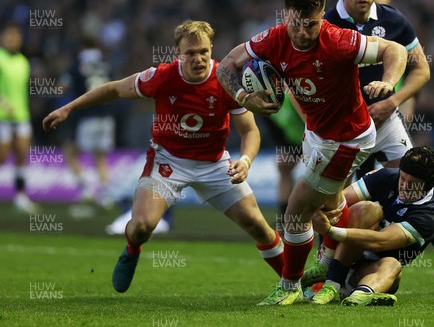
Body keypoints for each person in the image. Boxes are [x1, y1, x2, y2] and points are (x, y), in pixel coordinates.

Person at [43, 20, 284, 293]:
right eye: (190, 53)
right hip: (168, 162)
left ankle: (293, 282)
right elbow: (113, 89)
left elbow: (250, 131)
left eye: (203, 51)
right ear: (178, 54)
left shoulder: (226, 80)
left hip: (215, 164)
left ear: (212, 50)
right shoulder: (161, 77)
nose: (198, 58)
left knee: (258, 226)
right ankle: (132, 249)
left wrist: (246, 160)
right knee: (142, 226)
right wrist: (68, 109)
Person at [217, 0, 408, 305]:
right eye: (296, 23)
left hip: (347, 139)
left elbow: (396, 50)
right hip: (317, 135)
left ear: (322, 16)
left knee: (295, 211)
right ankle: (330, 263)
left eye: (311, 24)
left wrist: (387, 81)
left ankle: (290, 284)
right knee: (331, 208)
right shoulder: (274, 38)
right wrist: (244, 97)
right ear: (285, 15)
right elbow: (226, 65)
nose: (303, 32)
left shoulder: (339, 40)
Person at [303, 0, 434, 286]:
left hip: (385, 121)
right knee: (335, 197)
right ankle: (324, 263)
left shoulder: (393, 21)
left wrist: (393, 101)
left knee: (418, 179)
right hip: (340, 128)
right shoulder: (324, 24)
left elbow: (421, 70)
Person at [309, 146, 434, 306]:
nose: (405, 186)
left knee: (393, 265)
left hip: (368, 270)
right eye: (403, 178)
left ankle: (359, 295)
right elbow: (339, 203)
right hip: (341, 254)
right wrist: (317, 210)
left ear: (427, 185)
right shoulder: (386, 177)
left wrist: (330, 231)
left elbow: (380, 241)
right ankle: (331, 280)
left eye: (413, 184)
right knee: (368, 209)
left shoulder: (427, 216)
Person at [62, 36, 116, 218]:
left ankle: (86, 188)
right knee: (100, 157)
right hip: (107, 117)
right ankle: (106, 196)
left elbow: (64, 86)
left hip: (87, 117)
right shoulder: (105, 63)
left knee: (70, 151)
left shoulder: (77, 63)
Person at [0, 23, 41, 214]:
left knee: (21, 156)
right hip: (2, 117)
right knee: (2, 157)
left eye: (16, 37)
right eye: (9, 36)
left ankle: (20, 196)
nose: (13, 40)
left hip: (22, 116)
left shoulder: (24, 62)